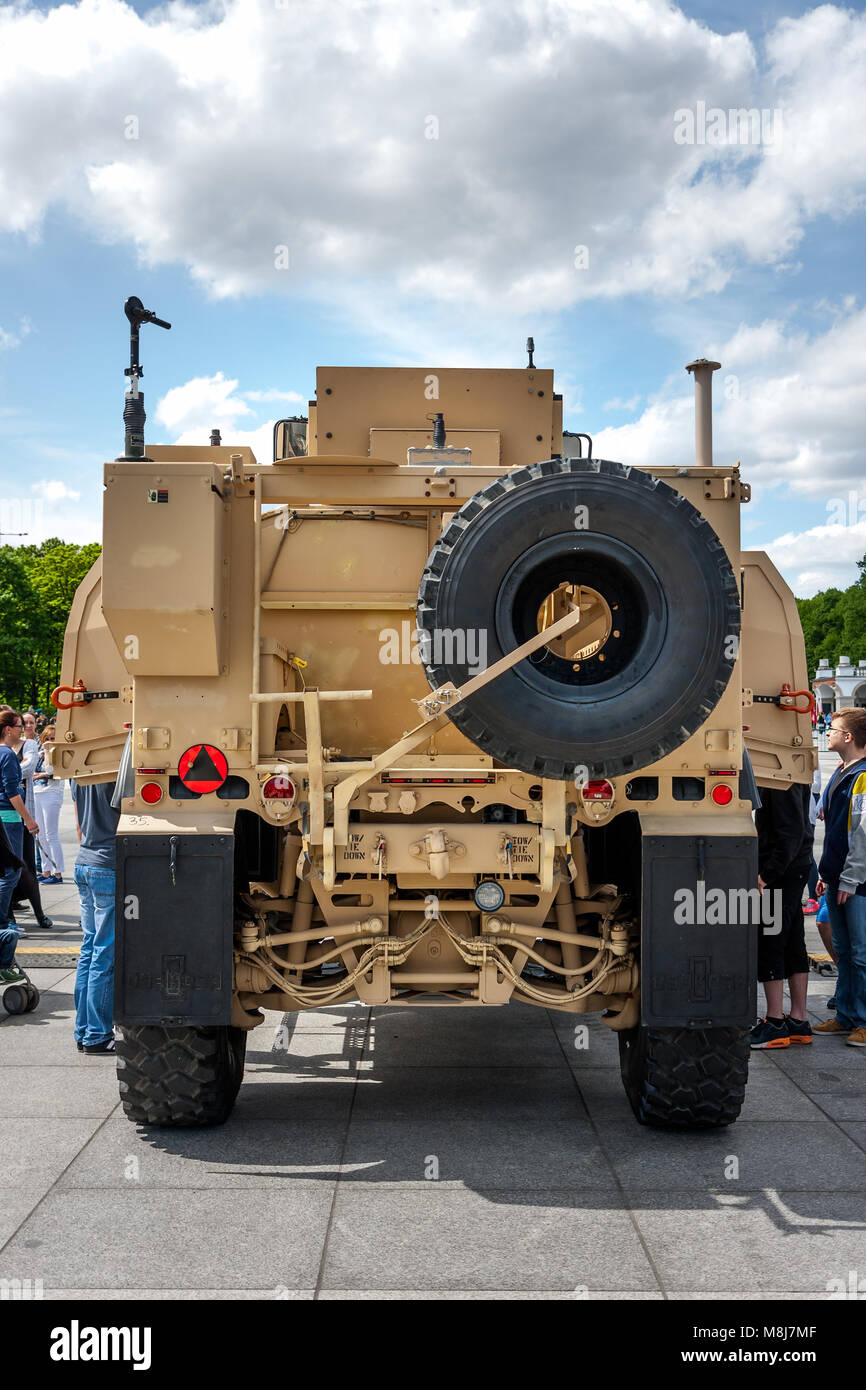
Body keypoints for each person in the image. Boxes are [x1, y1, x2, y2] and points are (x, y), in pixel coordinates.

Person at [814, 708, 866, 1046]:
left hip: (857, 882)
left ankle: (862, 1019)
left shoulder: (862, 775)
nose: (826, 732)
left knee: (860, 953)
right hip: (839, 877)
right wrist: (827, 873)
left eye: (833, 729)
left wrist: (848, 878)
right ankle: (846, 1015)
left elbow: (862, 833)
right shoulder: (843, 771)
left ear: (848, 737)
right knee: (845, 951)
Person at [749, 777, 813, 1048]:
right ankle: (798, 1021)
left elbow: (790, 832)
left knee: (771, 941)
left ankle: (775, 1022)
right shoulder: (791, 773)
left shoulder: (780, 778)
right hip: (795, 867)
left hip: (781, 870)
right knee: (793, 942)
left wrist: (766, 875)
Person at [71, 778, 120, 1053]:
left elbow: (79, 825)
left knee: (89, 950)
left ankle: (83, 1030)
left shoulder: (79, 771)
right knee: (104, 953)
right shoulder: (117, 771)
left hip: (85, 861)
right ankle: (98, 1034)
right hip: (108, 863)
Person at [0, 711, 40, 931]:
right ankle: (3, 921)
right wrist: (29, 820)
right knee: (12, 869)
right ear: (8, 730)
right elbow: (12, 793)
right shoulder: (7, 755)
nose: (22, 729)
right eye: (18, 726)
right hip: (9, 816)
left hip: (3, 815)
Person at [33, 725, 65, 883]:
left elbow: (51, 770)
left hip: (52, 793)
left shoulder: (57, 753)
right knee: (41, 834)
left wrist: (47, 751)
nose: (50, 741)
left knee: (51, 834)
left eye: (53, 738)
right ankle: (46, 870)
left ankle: (57, 872)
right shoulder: (38, 753)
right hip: (37, 792)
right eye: (48, 738)